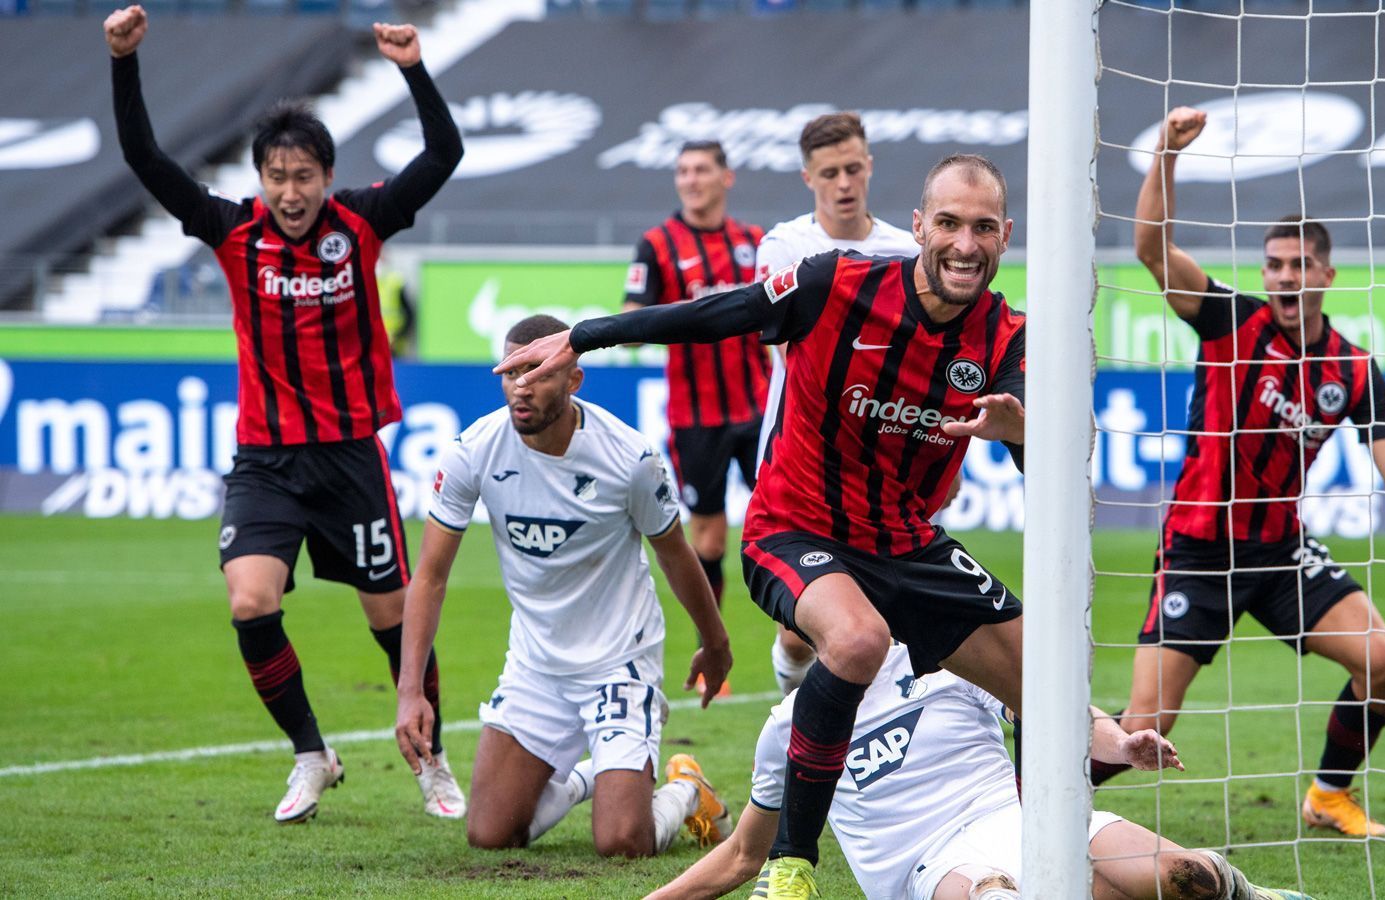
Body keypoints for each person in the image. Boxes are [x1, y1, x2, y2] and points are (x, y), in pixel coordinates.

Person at [500, 154, 1027, 898]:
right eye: (947, 224)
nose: (964, 244)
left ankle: (1041, 840)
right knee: (856, 640)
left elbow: (1044, 463)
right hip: (795, 527)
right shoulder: (836, 282)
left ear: (1005, 236)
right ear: (918, 228)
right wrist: (588, 336)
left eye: (981, 228)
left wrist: (1022, 433)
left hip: (909, 541)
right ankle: (790, 864)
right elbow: (719, 314)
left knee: (1047, 686)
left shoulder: (1010, 338)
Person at [104, 5, 465, 823]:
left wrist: (413, 67)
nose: (291, 191)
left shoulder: (364, 223)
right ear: (260, 178)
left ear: (326, 178)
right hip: (265, 460)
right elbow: (143, 157)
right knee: (249, 601)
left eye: (305, 176)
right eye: (278, 176)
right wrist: (124, 62)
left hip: (349, 458)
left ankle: (433, 759)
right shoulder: (231, 230)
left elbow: (445, 153)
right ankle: (312, 753)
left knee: (393, 623)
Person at [1094, 106, 1385, 839]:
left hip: (1279, 553)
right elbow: (1150, 249)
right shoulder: (1228, 322)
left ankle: (1329, 795)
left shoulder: (1351, 368)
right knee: (1142, 730)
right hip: (1199, 551)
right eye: (1273, 264)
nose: (1283, 276)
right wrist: (1167, 157)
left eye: (1299, 265)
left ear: (1326, 275)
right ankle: (1028, 790)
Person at [394, 314, 736, 855]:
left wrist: (715, 643)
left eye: (537, 371)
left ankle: (687, 791)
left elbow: (674, 553)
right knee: (490, 834)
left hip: (619, 661)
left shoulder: (630, 458)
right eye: (510, 373)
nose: (520, 387)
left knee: (623, 841)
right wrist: (410, 689)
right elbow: (430, 576)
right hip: (537, 666)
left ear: (574, 379)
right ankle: (591, 779)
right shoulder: (473, 451)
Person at [644, 644, 1315, 900]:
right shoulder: (788, 727)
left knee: (1187, 878)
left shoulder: (945, 661)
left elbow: (1056, 710)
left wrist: (1119, 743)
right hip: (930, 868)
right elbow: (741, 856)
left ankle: (1254, 894)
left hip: (1024, 823)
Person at [754, 113, 921, 697]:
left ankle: (858, 741)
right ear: (808, 178)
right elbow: (790, 356)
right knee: (802, 631)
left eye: (853, 168)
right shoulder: (786, 246)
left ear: (869, 165)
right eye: (830, 173)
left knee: (875, 622)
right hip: (800, 456)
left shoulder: (906, 250)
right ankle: (796, 702)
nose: (844, 182)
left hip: (887, 461)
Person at [624, 141, 767, 699]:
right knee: (706, 534)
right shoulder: (657, 244)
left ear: (726, 177)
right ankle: (715, 647)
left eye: (701, 169)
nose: (690, 179)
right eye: (682, 170)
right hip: (696, 415)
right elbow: (632, 315)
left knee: (787, 516)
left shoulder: (756, 243)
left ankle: (799, 638)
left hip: (759, 409)